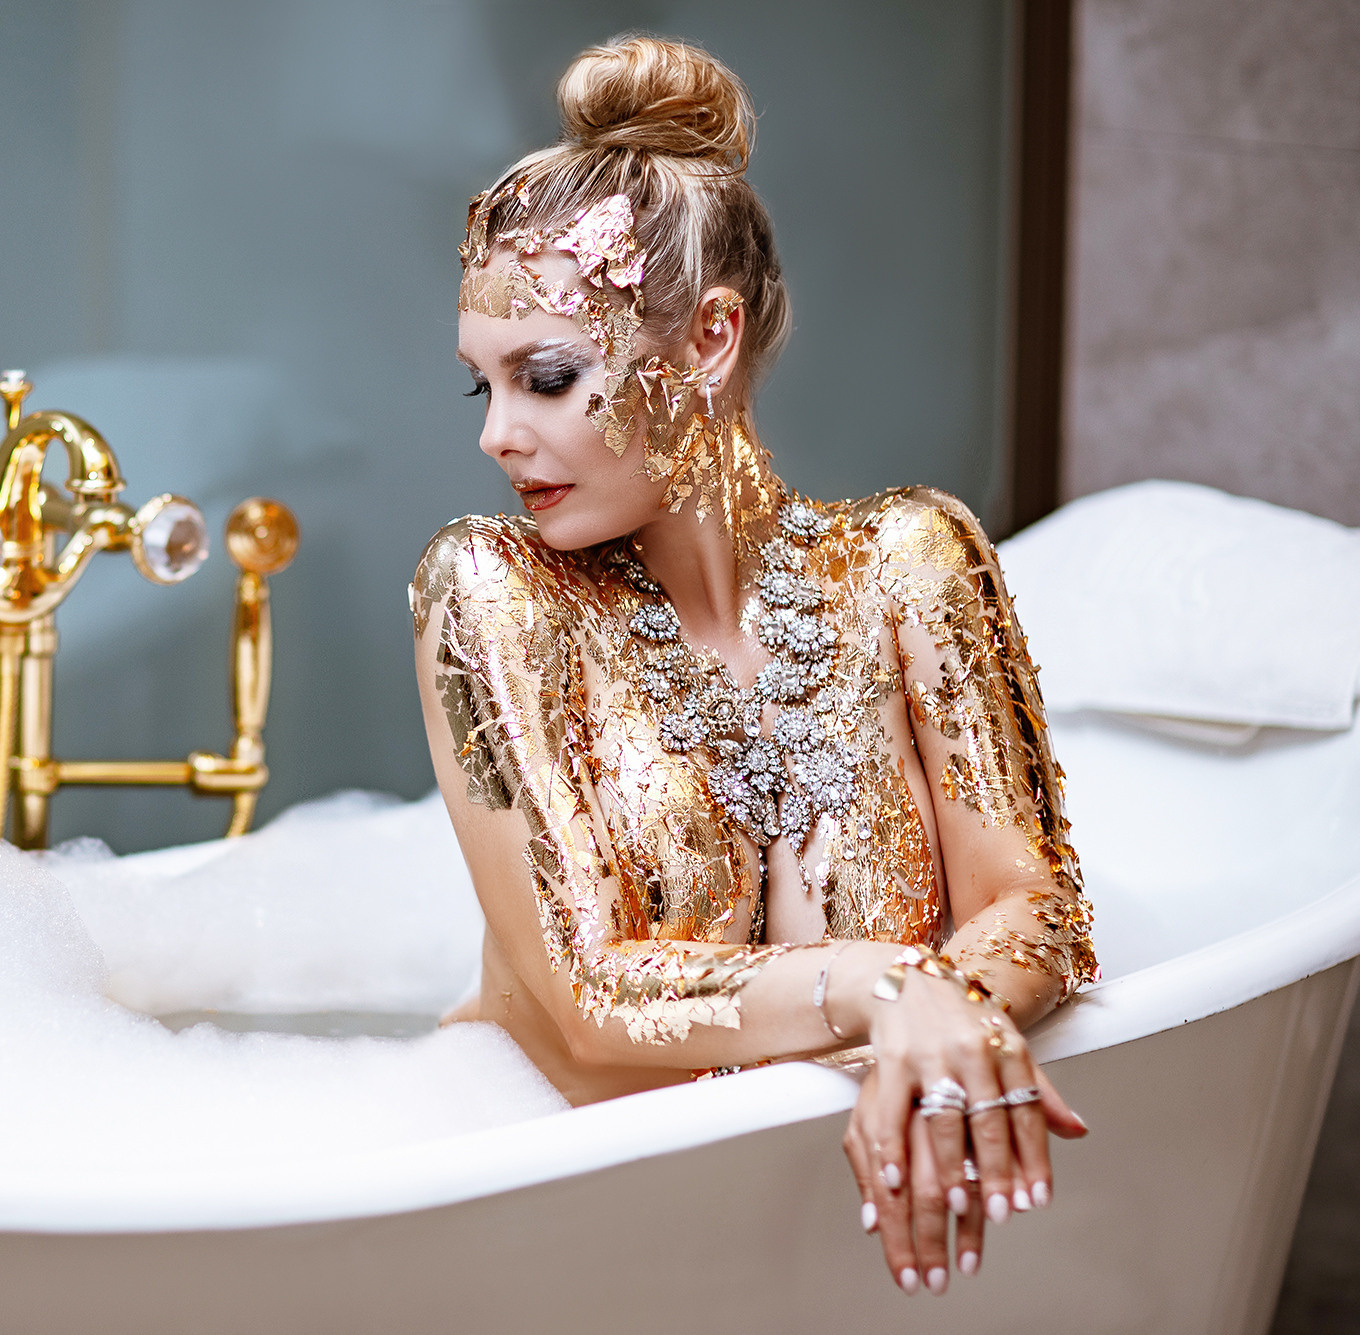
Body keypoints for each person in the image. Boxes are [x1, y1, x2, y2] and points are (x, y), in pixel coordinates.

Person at [412, 34, 1097, 1298]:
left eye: (547, 378)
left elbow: (1041, 909)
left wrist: (934, 1009)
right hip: (547, 1239)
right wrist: (893, 985)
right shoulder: (494, 591)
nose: (500, 435)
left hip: (830, 1257)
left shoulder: (908, 563)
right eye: (482, 388)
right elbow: (589, 995)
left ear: (709, 339)